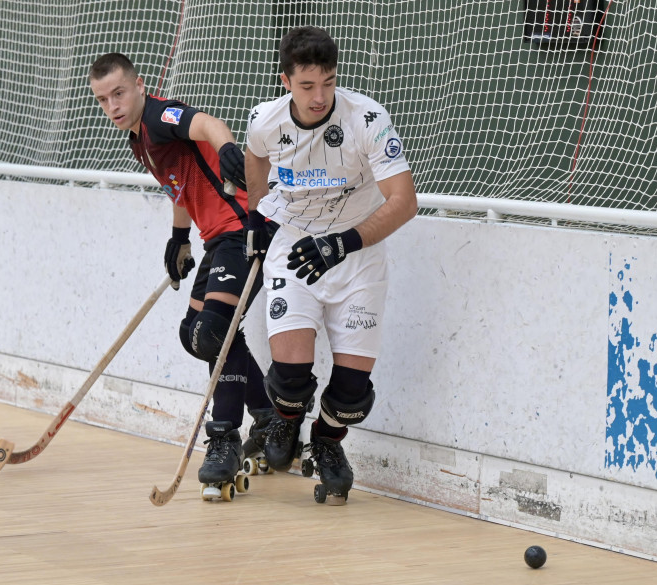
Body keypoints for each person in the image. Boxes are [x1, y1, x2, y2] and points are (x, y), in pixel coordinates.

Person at [243, 27, 418, 504]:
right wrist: (259, 213)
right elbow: (254, 161)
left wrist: (342, 244)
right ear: (286, 81)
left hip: (356, 254)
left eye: (328, 83)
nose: (320, 96)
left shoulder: (367, 118)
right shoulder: (265, 120)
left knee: (352, 392)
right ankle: (284, 422)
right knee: (291, 379)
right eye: (307, 86)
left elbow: (405, 201)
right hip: (296, 250)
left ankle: (325, 442)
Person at [88, 53, 273, 491]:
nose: (113, 105)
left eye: (119, 93)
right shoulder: (138, 139)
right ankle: (269, 416)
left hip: (245, 230)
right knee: (194, 332)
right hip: (215, 239)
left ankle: (224, 438)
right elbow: (180, 185)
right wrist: (178, 237)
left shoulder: (158, 115)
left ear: (138, 85)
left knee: (214, 332)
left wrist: (228, 148)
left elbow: (206, 123)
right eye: (103, 100)